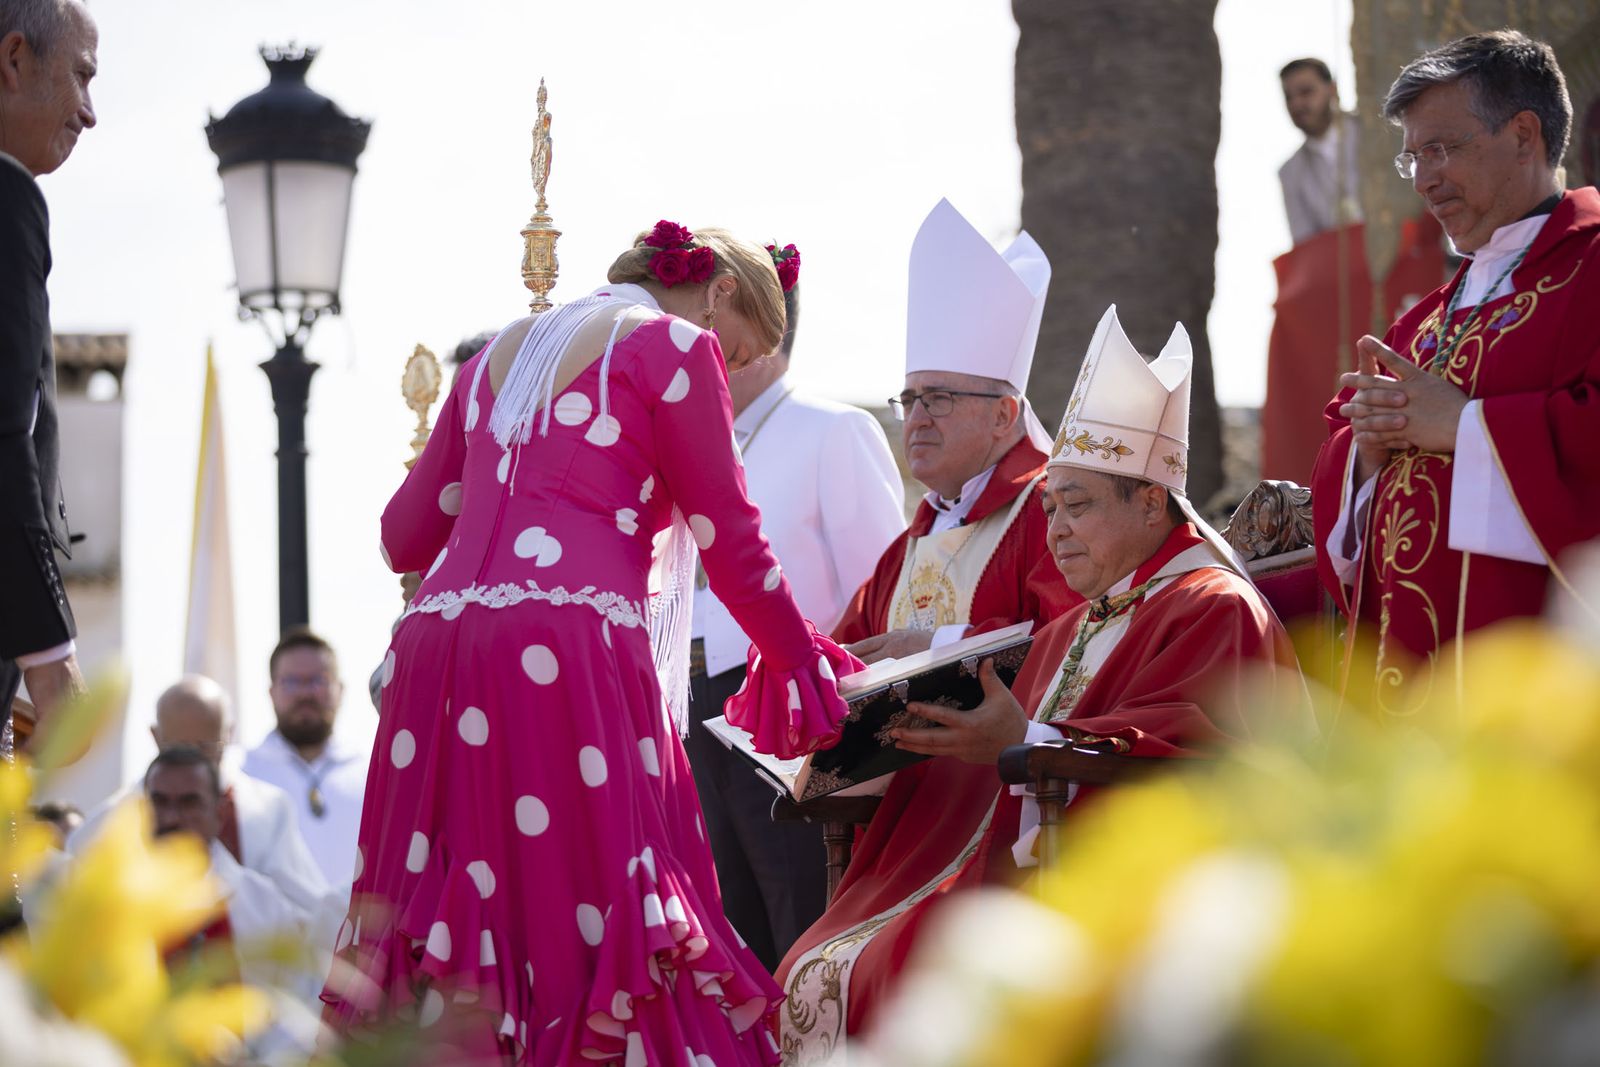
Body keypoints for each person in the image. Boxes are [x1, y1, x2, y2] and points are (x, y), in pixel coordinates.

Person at [322, 221, 859, 1065]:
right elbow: (731, 538)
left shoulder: (498, 354)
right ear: (717, 295)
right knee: (593, 907)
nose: (732, 366)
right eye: (740, 347)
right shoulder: (676, 349)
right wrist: (800, 661)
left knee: (463, 904)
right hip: (566, 641)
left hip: (436, 655)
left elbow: (403, 535)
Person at [778, 305, 1302, 1058]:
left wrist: (1021, 741)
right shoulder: (1077, 623)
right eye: (1051, 506)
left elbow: (1208, 764)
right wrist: (862, 755)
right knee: (818, 961)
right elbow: (987, 739)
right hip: (1025, 858)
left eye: (1079, 505)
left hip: (1115, 885)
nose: (1056, 529)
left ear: (1151, 499)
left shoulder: (1211, 606)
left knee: (914, 964)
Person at [1312, 30, 1600, 712]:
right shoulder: (1425, 320)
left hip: (1543, 695)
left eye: (1441, 148)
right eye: (1412, 156)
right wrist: (1367, 453)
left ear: (1524, 135)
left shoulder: (1592, 268)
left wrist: (1466, 426)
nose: (1424, 178)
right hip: (1407, 689)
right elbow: (1339, 476)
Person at [683, 279, 905, 972]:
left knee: (801, 920)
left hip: (792, 715)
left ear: (764, 332)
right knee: (728, 932)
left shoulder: (833, 429)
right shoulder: (693, 439)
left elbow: (885, 592)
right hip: (695, 710)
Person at [0, 0, 97, 754]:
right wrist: (50, 652)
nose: (89, 112)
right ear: (14, 61)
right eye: (80, 76)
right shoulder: (7, 199)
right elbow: (8, 428)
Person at [69, 675, 334, 923]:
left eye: (205, 747)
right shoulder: (111, 824)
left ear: (228, 735)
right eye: (180, 747)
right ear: (156, 736)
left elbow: (307, 913)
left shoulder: (267, 810)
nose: (191, 762)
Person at [146, 746, 325, 1032]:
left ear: (220, 812)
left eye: (189, 803)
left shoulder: (266, 905)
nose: (172, 818)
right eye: (160, 802)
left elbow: (297, 1008)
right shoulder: (114, 903)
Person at [244, 628, 368, 885]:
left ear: (340, 689)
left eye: (318, 680)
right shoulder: (243, 774)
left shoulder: (372, 774)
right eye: (291, 682)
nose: (305, 693)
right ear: (272, 692)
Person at [1279, 57, 1362, 246]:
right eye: (1288, 97)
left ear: (1332, 90)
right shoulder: (1290, 172)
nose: (1296, 104)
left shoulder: (1372, 131)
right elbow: (1305, 244)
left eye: (1306, 92)